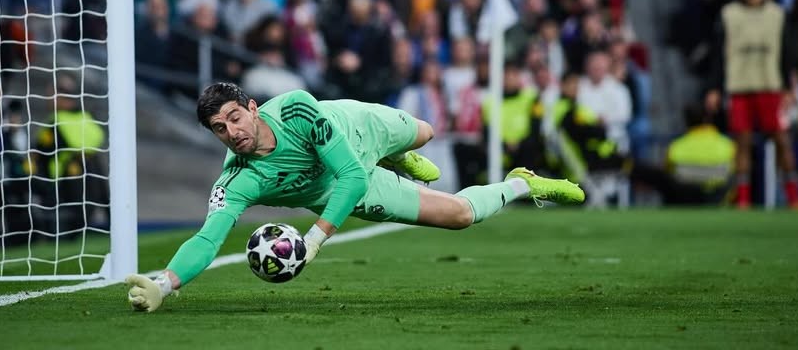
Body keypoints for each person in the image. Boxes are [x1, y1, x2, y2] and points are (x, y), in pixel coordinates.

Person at [126, 82, 584, 312]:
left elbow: (347, 170)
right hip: (346, 188)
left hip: (357, 129)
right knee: (462, 215)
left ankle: (398, 154)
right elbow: (208, 238)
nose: (232, 132)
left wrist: (314, 240)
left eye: (234, 117)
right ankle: (522, 183)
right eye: (219, 129)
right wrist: (164, 284)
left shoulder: (298, 109)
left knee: (425, 132)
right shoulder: (237, 181)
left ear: (252, 108)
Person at [706, 0, 798, 208]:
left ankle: (793, 196)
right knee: (742, 143)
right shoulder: (729, 14)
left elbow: (786, 54)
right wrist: (714, 87)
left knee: (782, 141)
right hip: (740, 87)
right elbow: (718, 54)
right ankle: (743, 198)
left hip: (770, 86)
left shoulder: (777, 14)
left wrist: (790, 88)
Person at [630, 103, 735, 205]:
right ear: (707, 119)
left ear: (686, 121)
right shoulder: (727, 145)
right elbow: (733, 171)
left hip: (684, 198)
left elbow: (669, 172)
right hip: (717, 198)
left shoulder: (676, 147)